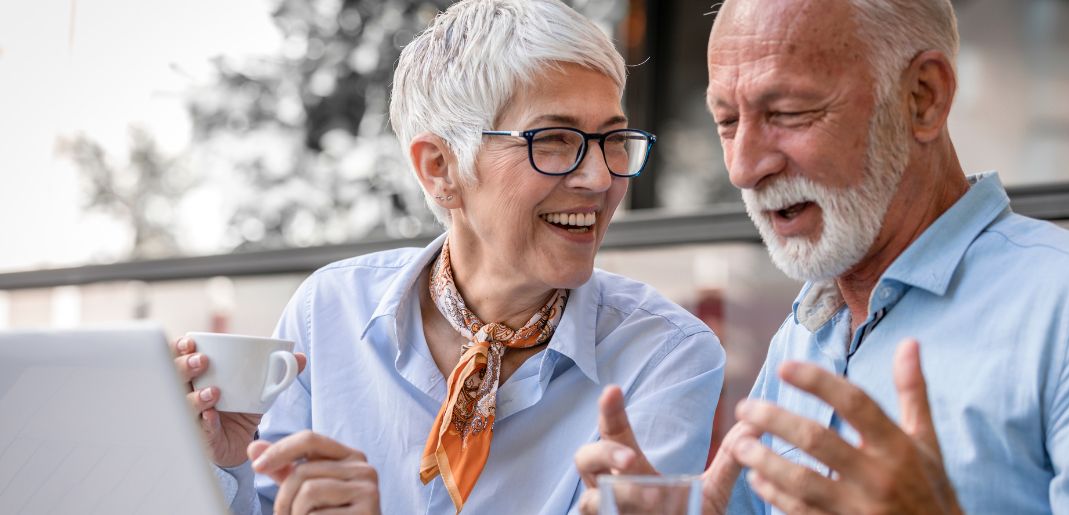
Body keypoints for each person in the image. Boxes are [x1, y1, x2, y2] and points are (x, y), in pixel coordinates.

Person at [575, 0, 1069, 513]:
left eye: (788, 113)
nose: (744, 167)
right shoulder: (806, 330)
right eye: (728, 122)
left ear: (924, 98)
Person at [171, 1, 725, 513]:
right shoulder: (328, 312)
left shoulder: (666, 356)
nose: (600, 177)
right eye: (554, 140)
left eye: (612, 138)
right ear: (439, 167)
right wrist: (222, 465)